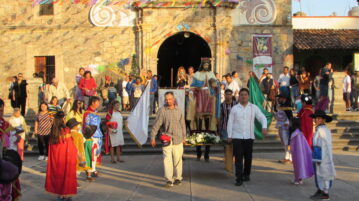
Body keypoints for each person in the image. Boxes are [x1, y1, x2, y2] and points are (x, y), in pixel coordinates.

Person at [227, 88, 268, 186]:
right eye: (241, 95)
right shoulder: (235, 108)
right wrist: (229, 135)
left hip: (249, 137)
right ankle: (239, 178)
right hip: (237, 137)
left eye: (245, 94)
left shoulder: (253, 108)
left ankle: (246, 174)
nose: (243, 96)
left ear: (248, 96)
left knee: (248, 158)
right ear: (239, 96)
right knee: (238, 158)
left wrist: (264, 127)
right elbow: (230, 122)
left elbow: (262, 117)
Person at [150, 92, 186, 187]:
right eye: (166, 99)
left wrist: (184, 137)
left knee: (178, 160)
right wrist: (153, 137)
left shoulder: (179, 110)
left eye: (170, 99)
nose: (168, 101)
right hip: (167, 138)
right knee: (167, 160)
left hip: (178, 139)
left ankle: (178, 178)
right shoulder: (162, 110)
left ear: (173, 99)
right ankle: (169, 180)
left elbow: (183, 125)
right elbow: (156, 124)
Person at [45, 111, 79, 201]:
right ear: (63, 119)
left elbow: (51, 145)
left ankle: (60, 195)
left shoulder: (53, 130)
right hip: (65, 156)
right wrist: (76, 152)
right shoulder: (66, 130)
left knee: (58, 175)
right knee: (66, 175)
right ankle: (65, 194)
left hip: (56, 156)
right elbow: (70, 144)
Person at [309, 110, 335, 200]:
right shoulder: (321, 130)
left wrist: (319, 158)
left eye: (318, 118)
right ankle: (320, 190)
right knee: (320, 174)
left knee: (324, 174)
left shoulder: (322, 130)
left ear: (323, 120)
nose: (316, 120)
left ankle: (325, 192)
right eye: (315, 118)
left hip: (322, 156)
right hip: (322, 155)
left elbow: (320, 145)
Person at [289, 118, 314, 185]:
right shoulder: (299, 133)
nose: (289, 124)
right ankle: (298, 179)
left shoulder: (296, 134)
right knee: (298, 166)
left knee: (298, 166)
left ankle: (298, 179)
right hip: (298, 152)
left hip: (297, 152)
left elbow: (298, 145)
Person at [218, 89, 237, 172]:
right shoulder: (222, 105)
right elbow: (220, 117)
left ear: (232, 95)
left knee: (235, 145)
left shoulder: (236, 105)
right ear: (224, 95)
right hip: (225, 128)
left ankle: (232, 158)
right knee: (226, 145)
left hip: (235, 128)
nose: (228, 96)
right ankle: (227, 160)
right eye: (227, 94)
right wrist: (219, 129)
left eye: (230, 94)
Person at [83, 96, 103, 173]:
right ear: (93, 102)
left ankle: (93, 168)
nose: (99, 104)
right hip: (91, 135)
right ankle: (90, 170)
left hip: (98, 134)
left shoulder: (96, 112)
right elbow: (86, 125)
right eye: (97, 102)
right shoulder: (88, 113)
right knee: (91, 153)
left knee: (96, 153)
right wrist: (88, 135)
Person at [275, 95, 292, 164]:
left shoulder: (287, 106)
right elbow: (279, 116)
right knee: (283, 142)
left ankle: (289, 157)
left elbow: (290, 116)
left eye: (280, 98)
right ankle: (287, 156)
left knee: (287, 142)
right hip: (280, 126)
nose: (279, 99)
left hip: (286, 127)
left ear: (284, 98)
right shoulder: (280, 105)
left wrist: (287, 122)